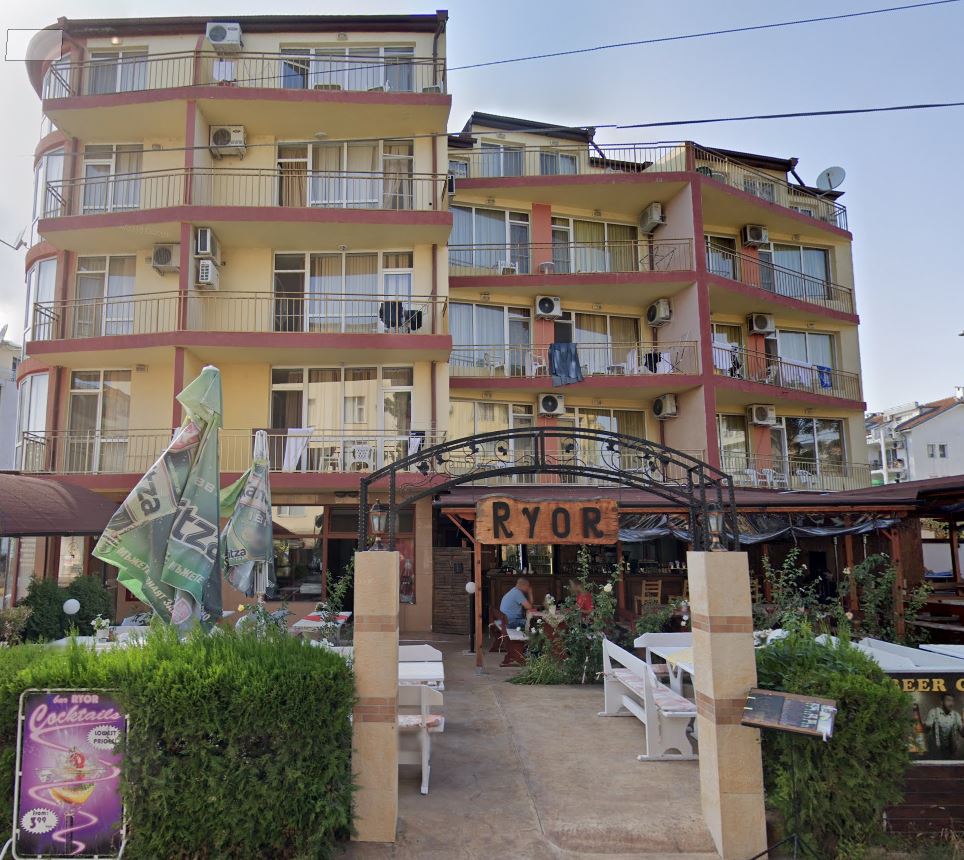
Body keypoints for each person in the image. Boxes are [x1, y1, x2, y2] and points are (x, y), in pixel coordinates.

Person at [924, 693, 964, 759]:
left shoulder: (956, 715)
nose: (951, 703)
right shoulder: (934, 712)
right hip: (936, 752)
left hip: (952, 753)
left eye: (952, 701)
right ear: (942, 702)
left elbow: (963, 734)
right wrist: (925, 725)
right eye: (948, 700)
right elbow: (926, 730)